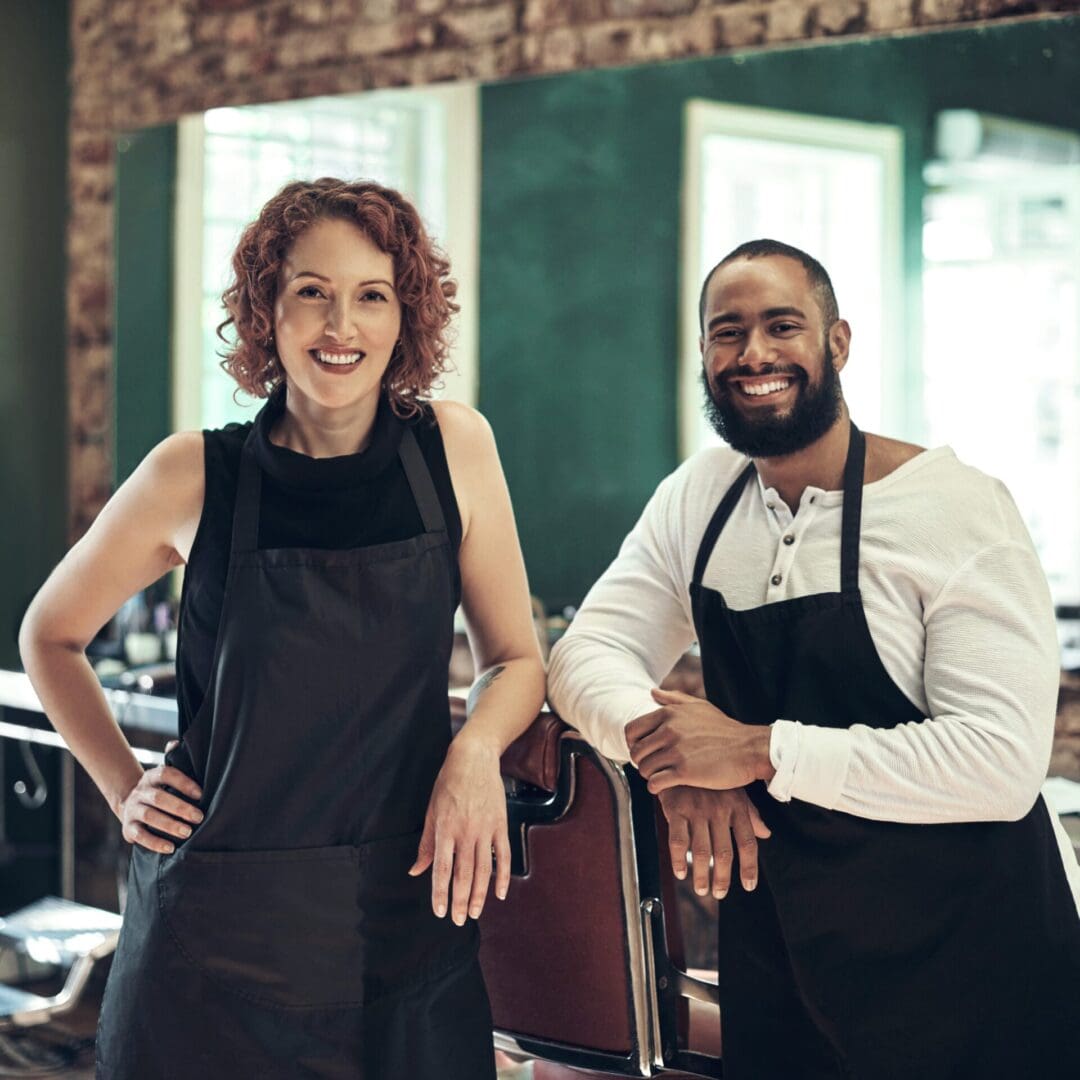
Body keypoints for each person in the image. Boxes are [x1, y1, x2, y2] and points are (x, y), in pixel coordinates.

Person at [19, 178, 546, 1079]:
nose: (341, 326)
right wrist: (122, 785)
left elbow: (516, 660)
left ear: (405, 314)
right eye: (312, 292)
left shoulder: (453, 449)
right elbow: (48, 635)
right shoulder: (193, 474)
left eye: (371, 295)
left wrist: (474, 753)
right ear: (267, 310)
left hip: (402, 925)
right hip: (213, 947)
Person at [548, 239, 1080, 1078]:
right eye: (727, 333)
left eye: (781, 326)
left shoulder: (957, 509)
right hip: (788, 958)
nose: (753, 354)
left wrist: (756, 750)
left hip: (973, 965)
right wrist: (672, 756)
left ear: (837, 343)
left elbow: (1002, 764)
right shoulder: (701, 497)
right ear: (703, 354)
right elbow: (586, 654)